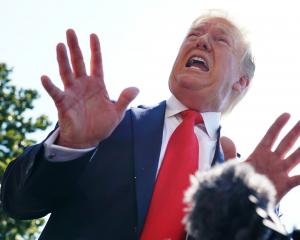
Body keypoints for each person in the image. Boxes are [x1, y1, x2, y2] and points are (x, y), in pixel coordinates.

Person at [1, 12, 300, 240]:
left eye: (220, 39)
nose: (201, 40)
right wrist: (71, 144)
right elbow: (19, 204)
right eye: (193, 34)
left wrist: (258, 210)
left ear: (241, 81)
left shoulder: (239, 180)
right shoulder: (108, 126)